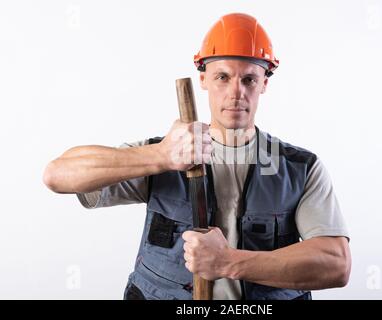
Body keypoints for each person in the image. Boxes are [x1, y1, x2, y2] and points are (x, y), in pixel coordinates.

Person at [43, 13, 351, 300]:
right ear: (202, 79)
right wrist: (159, 156)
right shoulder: (164, 153)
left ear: (264, 84)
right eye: (222, 77)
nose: (236, 93)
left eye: (249, 79)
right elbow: (58, 175)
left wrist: (229, 262)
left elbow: (336, 265)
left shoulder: (299, 168)